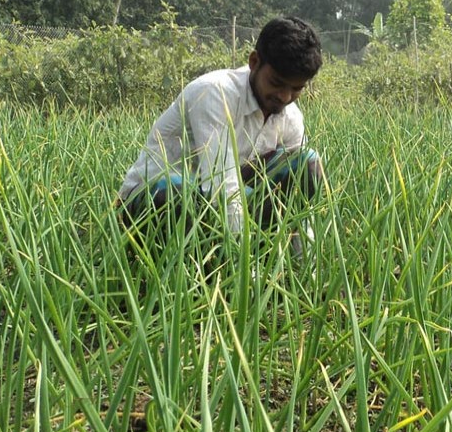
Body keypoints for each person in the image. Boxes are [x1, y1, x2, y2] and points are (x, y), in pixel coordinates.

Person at [116, 16, 324, 254]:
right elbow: (222, 188)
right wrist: (242, 271)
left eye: (297, 88)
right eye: (276, 82)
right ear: (254, 62)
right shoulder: (214, 93)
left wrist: (307, 271)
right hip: (156, 201)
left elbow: (301, 204)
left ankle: (258, 258)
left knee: (306, 163)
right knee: (180, 192)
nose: (285, 97)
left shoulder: (291, 117)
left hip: (219, 206)